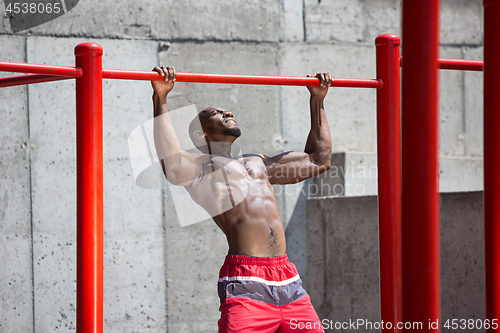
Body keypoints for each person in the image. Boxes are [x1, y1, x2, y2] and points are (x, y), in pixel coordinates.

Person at [151, 66, 333, 333]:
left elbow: (319, 159)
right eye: (215, 113)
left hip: (288, 278)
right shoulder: (202, 169)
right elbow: (173, 165)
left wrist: (317, 99)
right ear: (201, 135)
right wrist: (161, 98)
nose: (228, 112)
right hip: (246, 281)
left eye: (227, 110)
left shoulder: (259, 162)